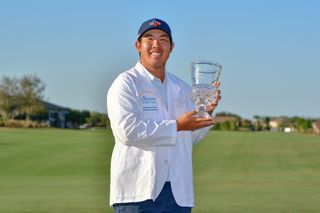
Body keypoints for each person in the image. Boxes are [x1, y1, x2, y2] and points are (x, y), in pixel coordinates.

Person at [107, 18, 221, 213]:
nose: (156, 45)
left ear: (172, 47)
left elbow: (188, 139)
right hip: (138, 193)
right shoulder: (126, 83)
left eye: (163, 39)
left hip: (177, 194)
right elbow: (127, 132)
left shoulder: (183, 88)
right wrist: (177, 125)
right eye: (149, 38)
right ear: (138, 46)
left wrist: (206, 112)